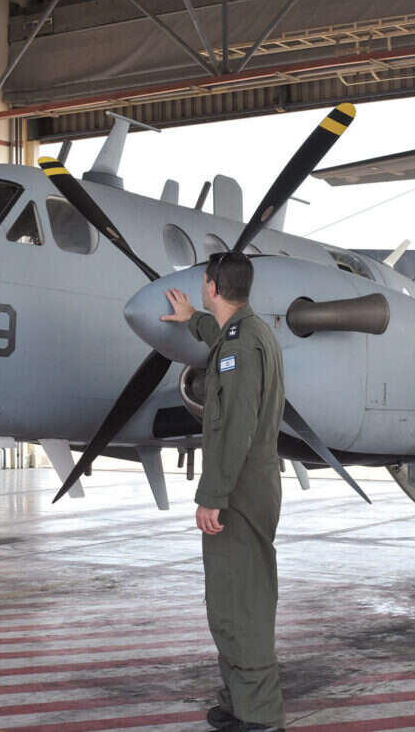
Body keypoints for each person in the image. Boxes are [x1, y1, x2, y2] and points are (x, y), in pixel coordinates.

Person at [162, 251, 286, 732]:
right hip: (247, 482)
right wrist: (193, 319)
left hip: (239, 489)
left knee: (242, 600)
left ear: (213, 286)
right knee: (229, 597)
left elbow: (235, 425)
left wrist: (212, 495)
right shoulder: (246, 334)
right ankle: (240, 701)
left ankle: (261, 713)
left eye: (203, 283)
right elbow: (222, 341)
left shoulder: (242, 345)